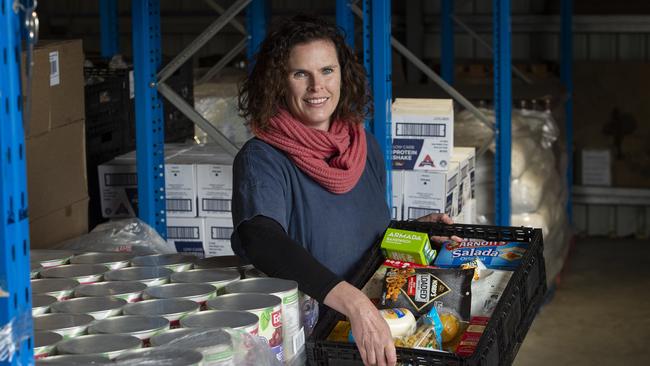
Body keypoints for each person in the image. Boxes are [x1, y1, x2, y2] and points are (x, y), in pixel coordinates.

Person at [232, 14, 457, 366]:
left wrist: (412, 231)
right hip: (313, 340)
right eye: (300, 74)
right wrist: (354, 303)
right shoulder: (262, 158)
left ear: (342, 75)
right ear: (278, 83)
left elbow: (361, 232)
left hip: (373, 324)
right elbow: (261, 238)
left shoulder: (362, 144)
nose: (317, 87)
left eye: (327, 71)